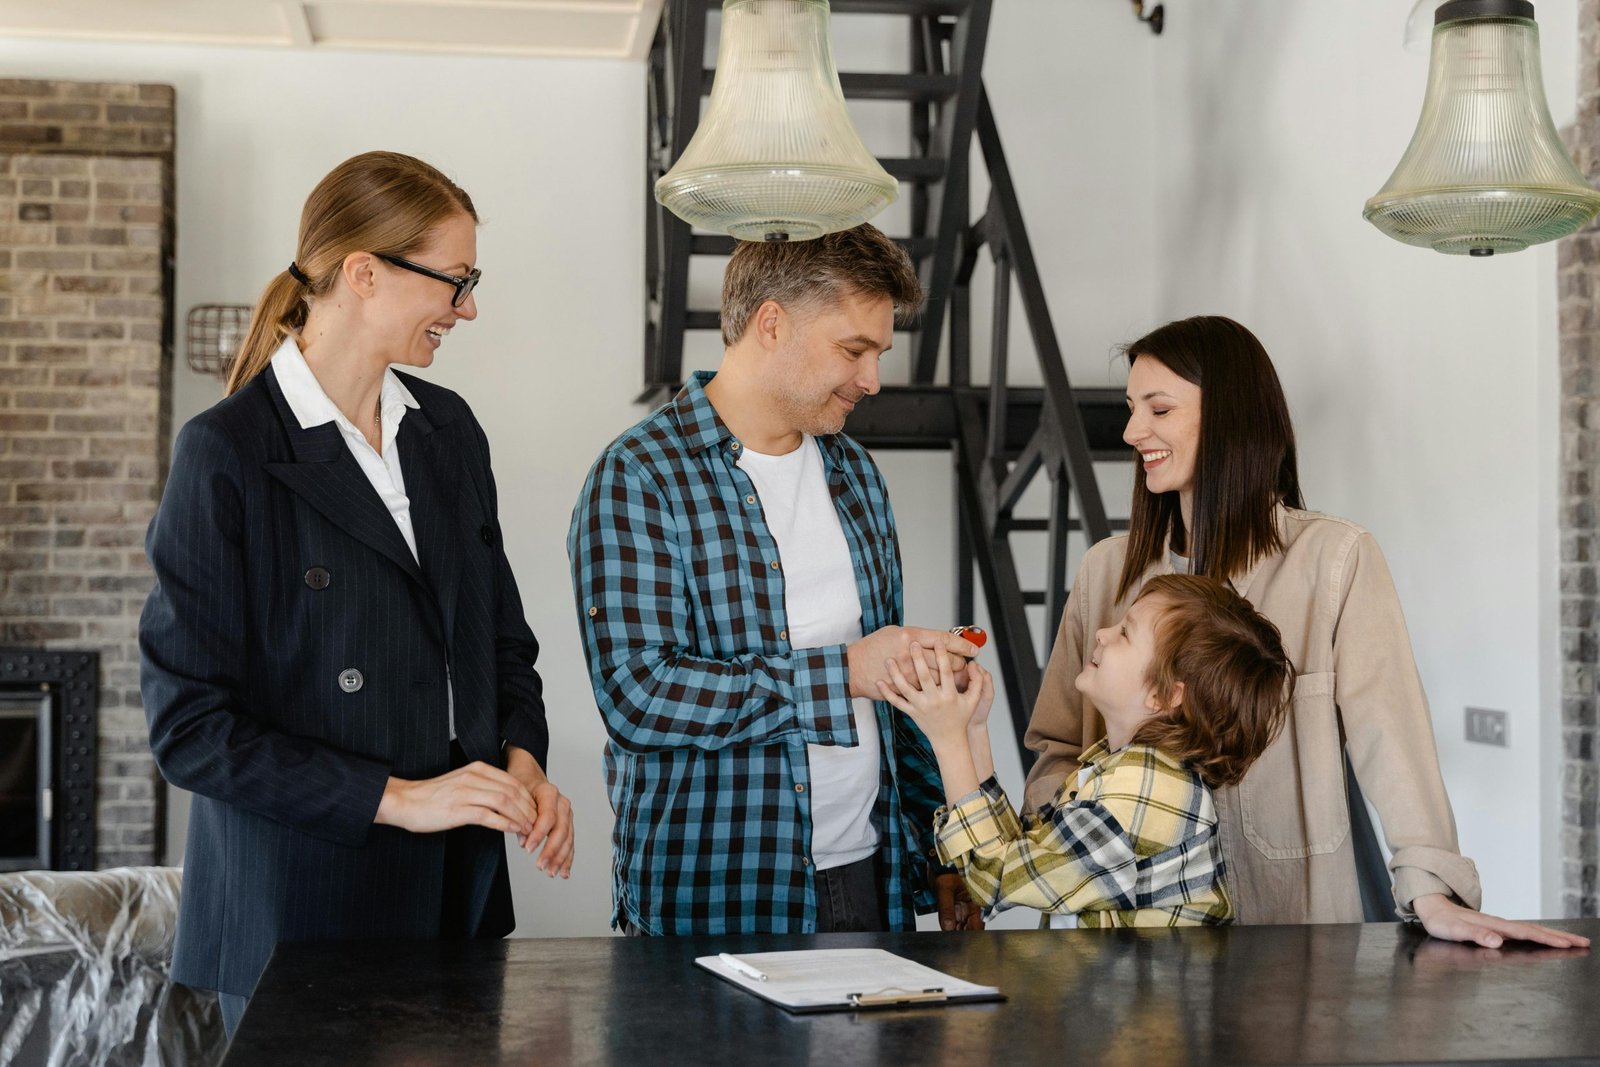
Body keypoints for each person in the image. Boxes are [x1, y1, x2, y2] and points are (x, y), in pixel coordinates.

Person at [140, 151, 575, 1036]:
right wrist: (404, 798)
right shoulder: (226, 452)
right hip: (298, 912)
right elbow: (191, 730)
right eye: (455, 281)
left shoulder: (448, 430)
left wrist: (521, 761)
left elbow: (500, 641)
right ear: (364, 274)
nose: (469, 307)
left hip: (457, 896)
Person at [1022, 314, 1587, 948]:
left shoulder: (1334, 559)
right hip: (1128, 948)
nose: (1132, 432)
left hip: (1293, 928)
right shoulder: (1106, 570)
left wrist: (1433, 888)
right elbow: (1057, 746)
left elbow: (1390, 734)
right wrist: (1062, 846)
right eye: (1131, 409)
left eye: (1158, 408)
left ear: (1232, 416)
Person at [568, 224, 982, 935]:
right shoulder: (639, 476)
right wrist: (847, 671)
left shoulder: (854, 473)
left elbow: (894, 698)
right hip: (715, 892)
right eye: (853, 350)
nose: (872, 380)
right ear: (771, 324)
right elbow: (640, 697)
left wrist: (943, 855)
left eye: (878, 354)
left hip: (870, 879)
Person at [881, 575, 1293, 927]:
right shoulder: (1119, 767)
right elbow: (1027, 854)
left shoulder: (1140, 795)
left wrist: (946, 738)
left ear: (1164, 694)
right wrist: (972, 731)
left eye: (1126, 633)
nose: (1102, 633)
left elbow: (994, 879)